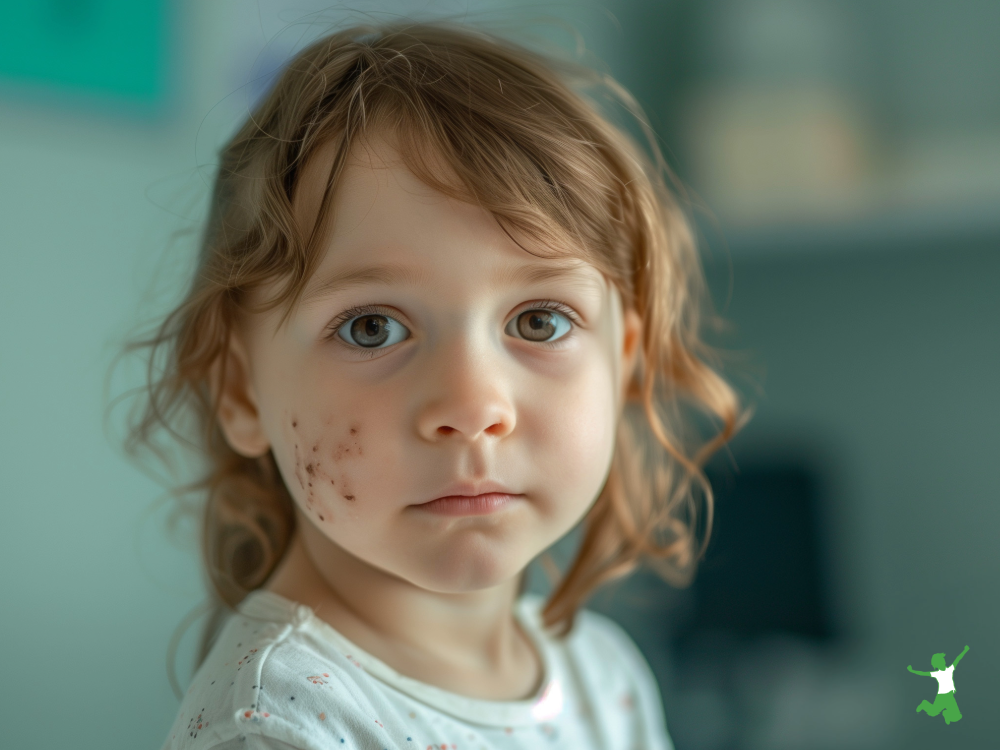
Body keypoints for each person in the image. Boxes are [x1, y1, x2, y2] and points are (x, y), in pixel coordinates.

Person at [127, 19, 746, 750]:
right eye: (371, 328)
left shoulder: (601, 675)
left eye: (541, 321)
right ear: (239, 391)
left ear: (625, 363)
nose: (473, 407)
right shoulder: (273, 728)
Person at [908, 645, 969, 725]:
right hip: (941, 697)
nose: (943, 661)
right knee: (933, 712)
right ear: (937, 664)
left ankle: (946, 714)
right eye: (940, 661)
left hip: (950, 696)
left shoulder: (950, 669)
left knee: (958, 716)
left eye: (943, 660)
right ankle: (924, 704)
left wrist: (965, 650)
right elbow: (923, 673)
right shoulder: (937, 674)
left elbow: (957, 659)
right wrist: (912, 670)